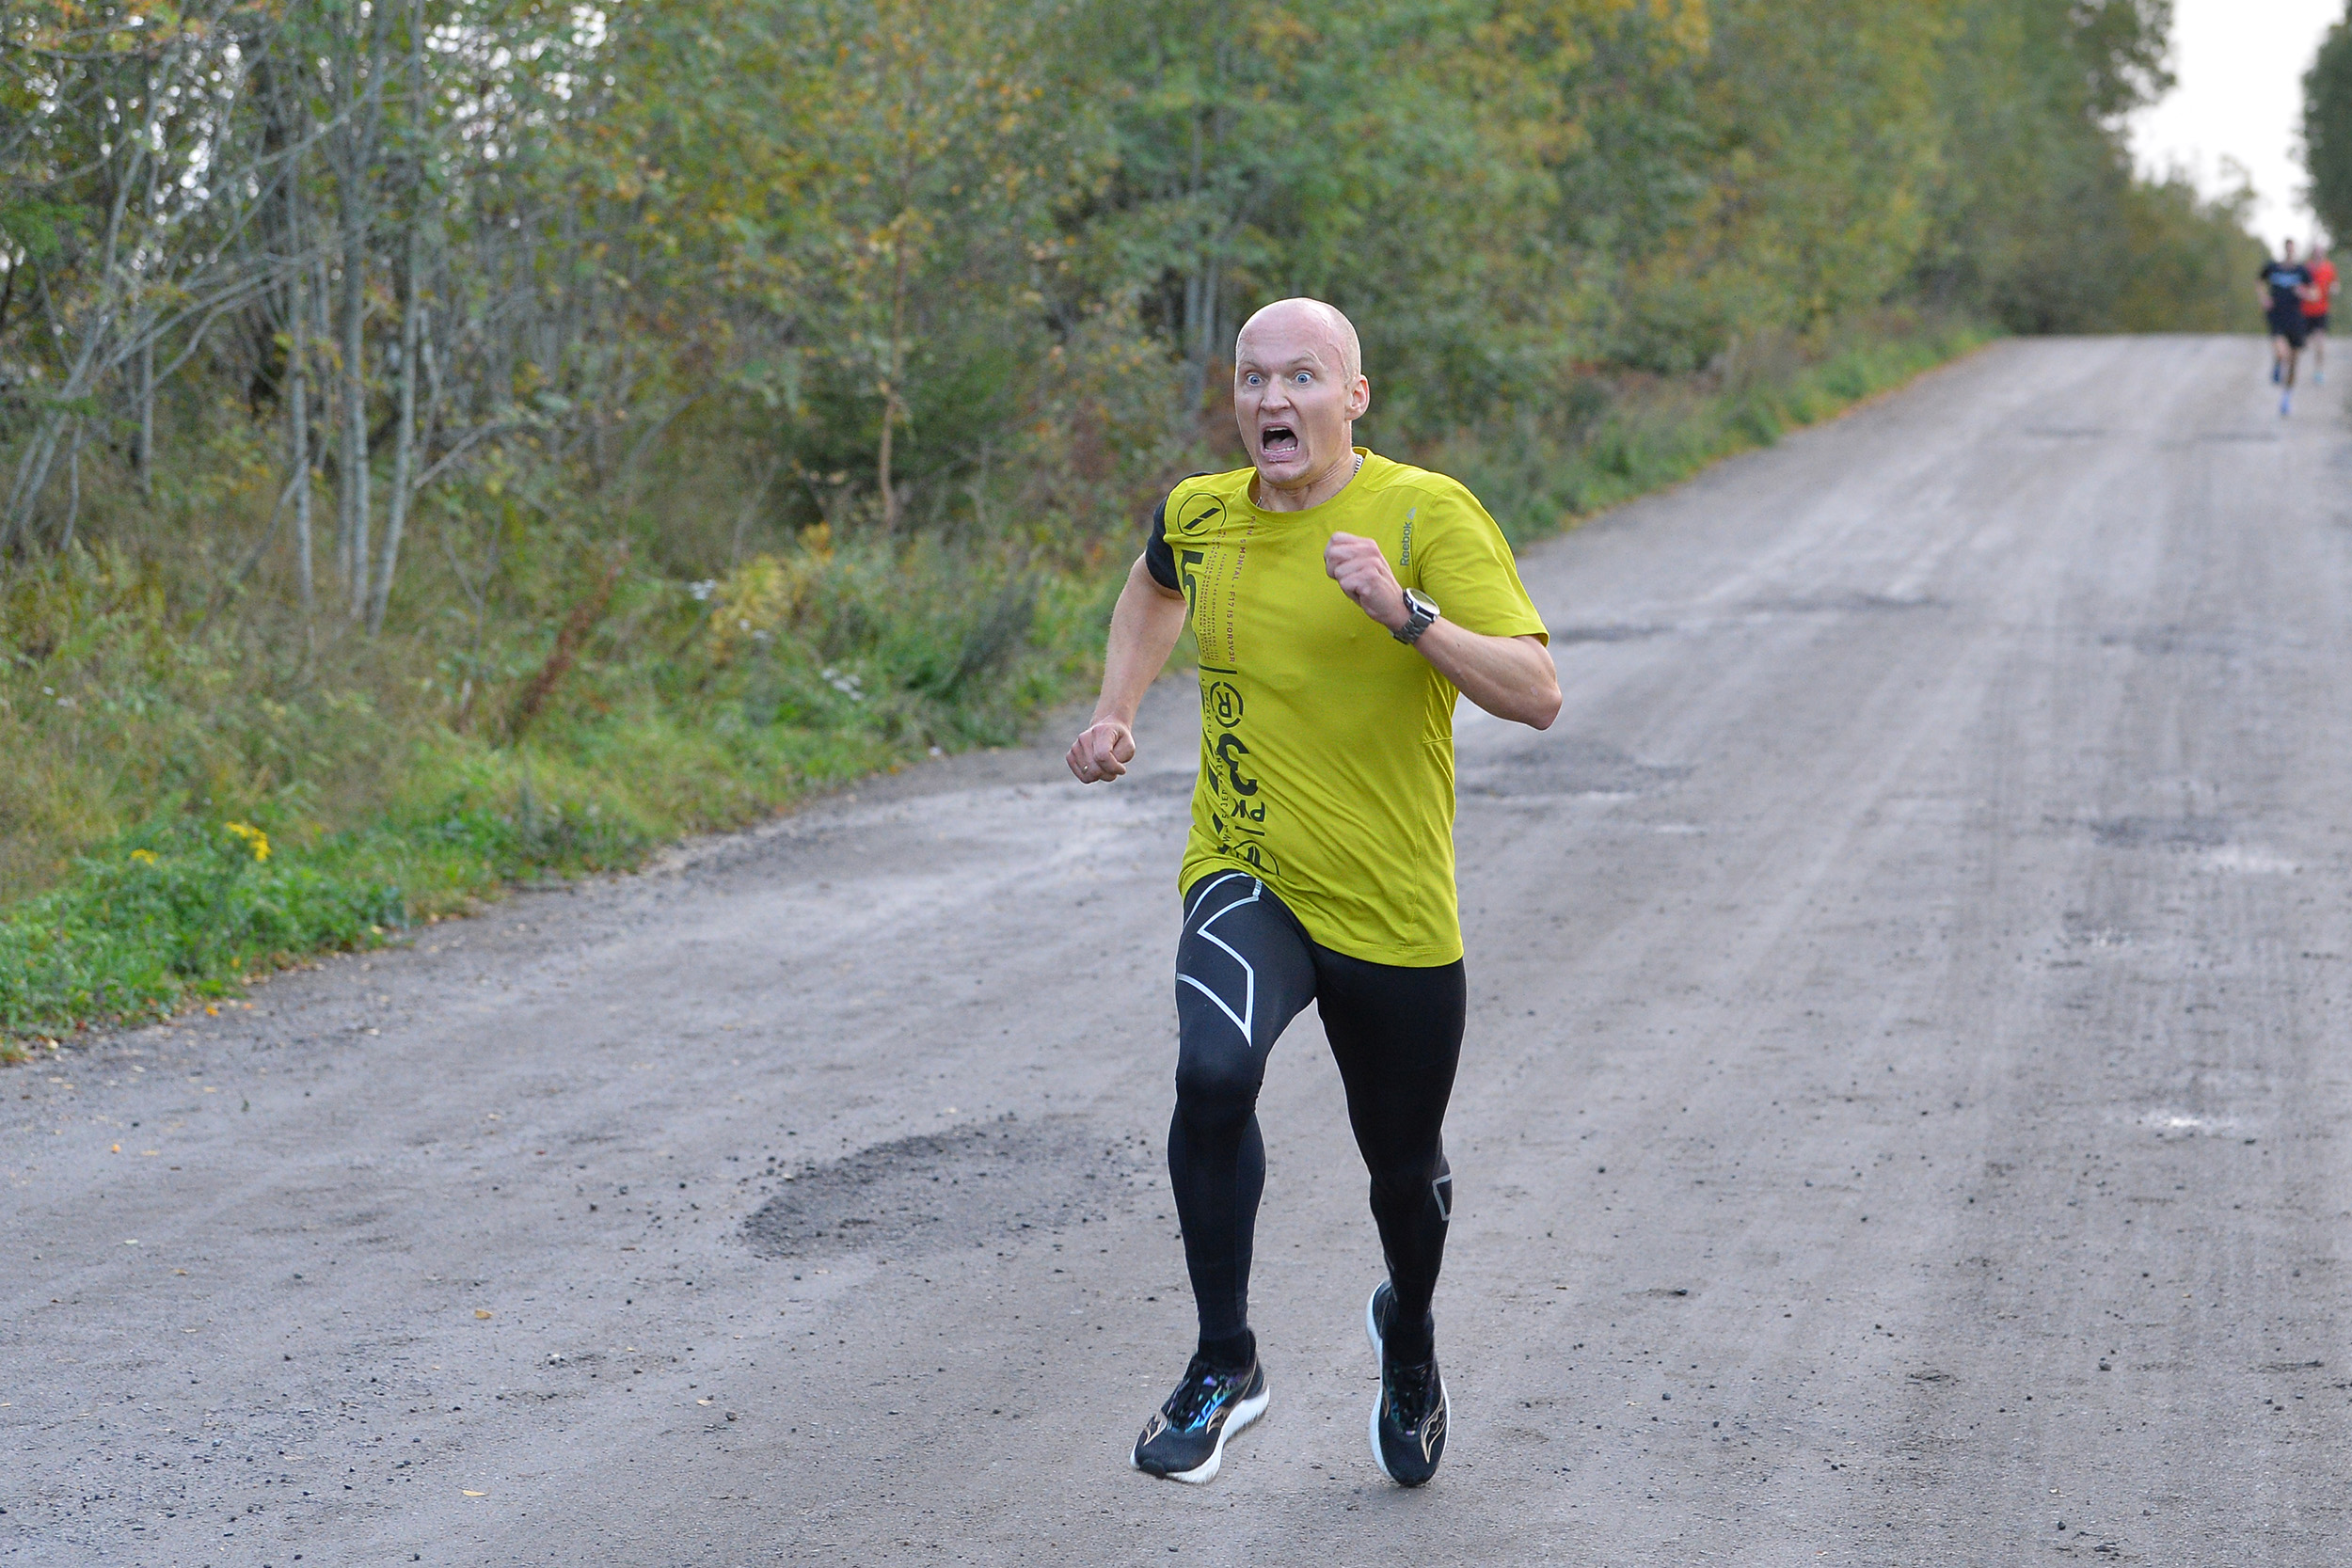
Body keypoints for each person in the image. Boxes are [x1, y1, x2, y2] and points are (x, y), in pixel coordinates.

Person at [1066, 297, 1560, 1488]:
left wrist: (1406, 613)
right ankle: (1225, 1359)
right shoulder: (1200, 512)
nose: (1271, 400)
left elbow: (1536, 692)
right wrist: (1116, 707)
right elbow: (1152, 585)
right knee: (1213, 1071)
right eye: (1251, 378)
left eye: (1300, 377)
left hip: (1390, 904)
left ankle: (1412, 1336)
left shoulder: (1423, 513)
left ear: (1355, 395)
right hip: (1248, 867)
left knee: (1403, 1172)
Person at [2259, 239, 2314, 415]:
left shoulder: (2301, 270)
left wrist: (2304, 293)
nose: (2290, 252)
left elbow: (2315, 293)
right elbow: (2258, 281)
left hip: (2296, 318)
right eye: (2287, 249)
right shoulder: (2273, 267)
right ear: (2284, 249)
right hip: (2277, 316)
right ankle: (2277, 363)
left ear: (2295, 251)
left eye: (2292, 249)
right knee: (2282, 351)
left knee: (2294, 362)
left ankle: (2286, 399)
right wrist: (2264, 298)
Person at [2304, 241, 2335, 385]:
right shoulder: (2306, 268)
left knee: (2320, 344)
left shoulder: (2329, 268)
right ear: (2313, 253)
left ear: (2323, 253)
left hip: (2321, 312)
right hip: (2305, 312)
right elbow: (2299, 286)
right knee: (2303, 344)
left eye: (2320, 251)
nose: (2318, 254)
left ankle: (2319, 372)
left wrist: (2335, 288)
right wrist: (2307, 294)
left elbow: (2334, 284)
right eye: (2316, 251)